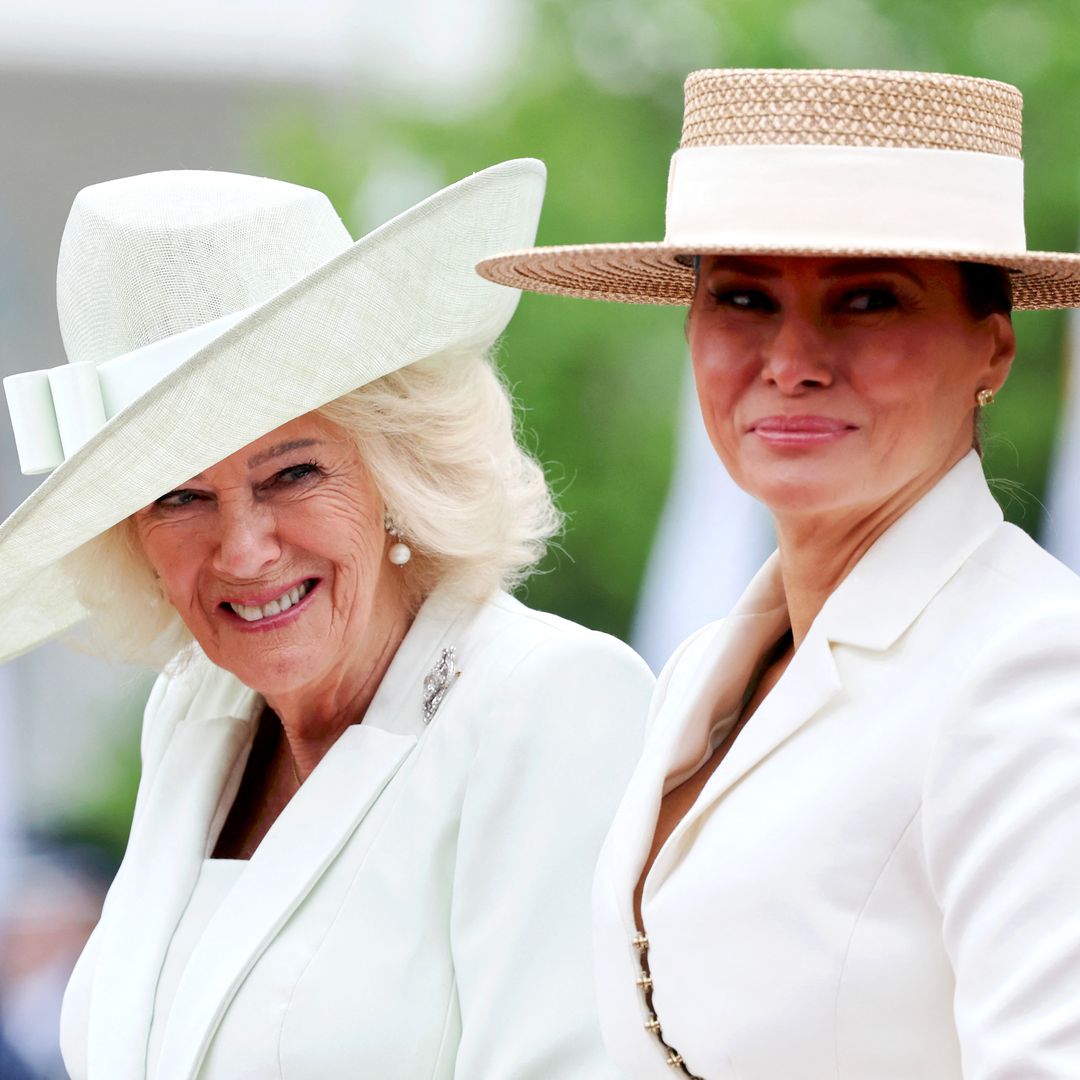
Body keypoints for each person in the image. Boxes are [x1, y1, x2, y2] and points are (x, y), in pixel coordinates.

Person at [479, 69, 1080, 1078]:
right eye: (746, 297)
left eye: (869, 300)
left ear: (994, 349)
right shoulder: (705, 668)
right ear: (690, 331)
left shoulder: (1036, 670)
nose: (792, 358)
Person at [0, 161, 655, 1079]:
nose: (243, 550)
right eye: (179, 497)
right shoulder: (193, 713)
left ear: (397, 467)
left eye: (292, 474)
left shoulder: (546, 702)